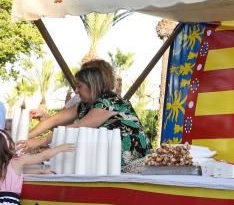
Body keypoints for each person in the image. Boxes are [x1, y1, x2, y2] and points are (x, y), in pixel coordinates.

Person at [21, 64, 150, 166]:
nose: (76, 91)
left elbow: (77, 127)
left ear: (92, 86)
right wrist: (24, 138)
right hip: (104, 161)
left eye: (79, 86)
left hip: (130, 163)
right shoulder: (84, 105)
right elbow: (53, 120)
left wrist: (38, 141)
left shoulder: (110, 101)